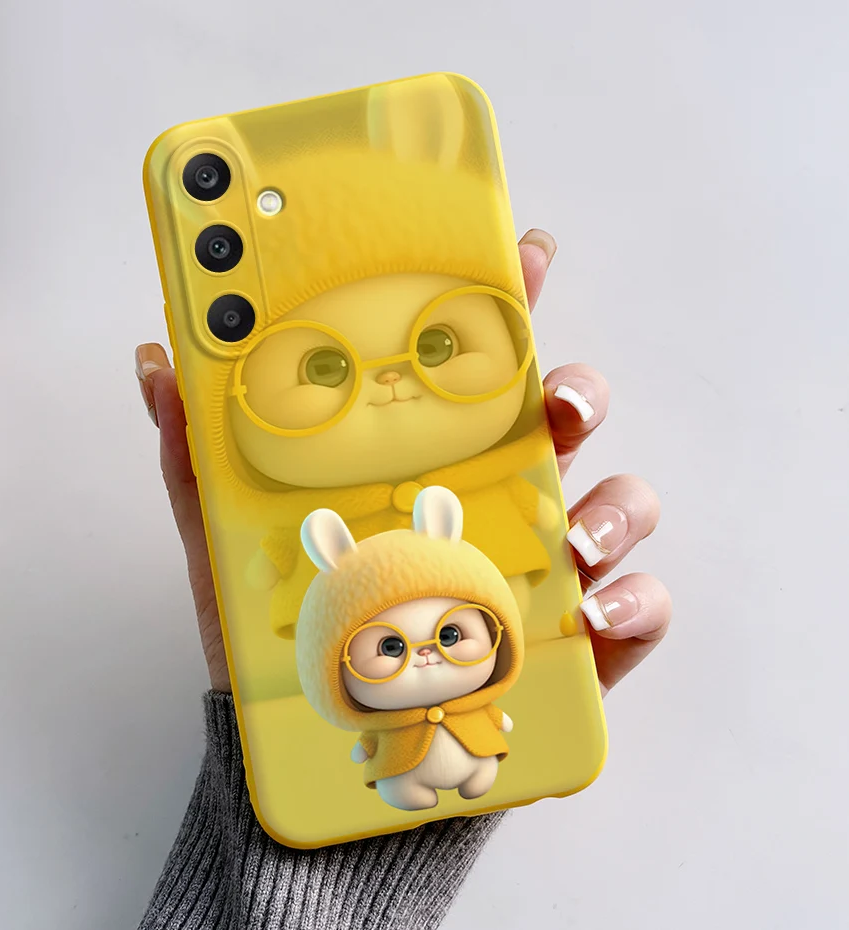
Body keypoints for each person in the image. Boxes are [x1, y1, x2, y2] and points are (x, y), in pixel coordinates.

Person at [133, 230, 672, 930]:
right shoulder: (293, 536)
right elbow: (277, 581)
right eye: (325, 364)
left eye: (436, 345)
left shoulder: (495, 490)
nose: (388, 380)